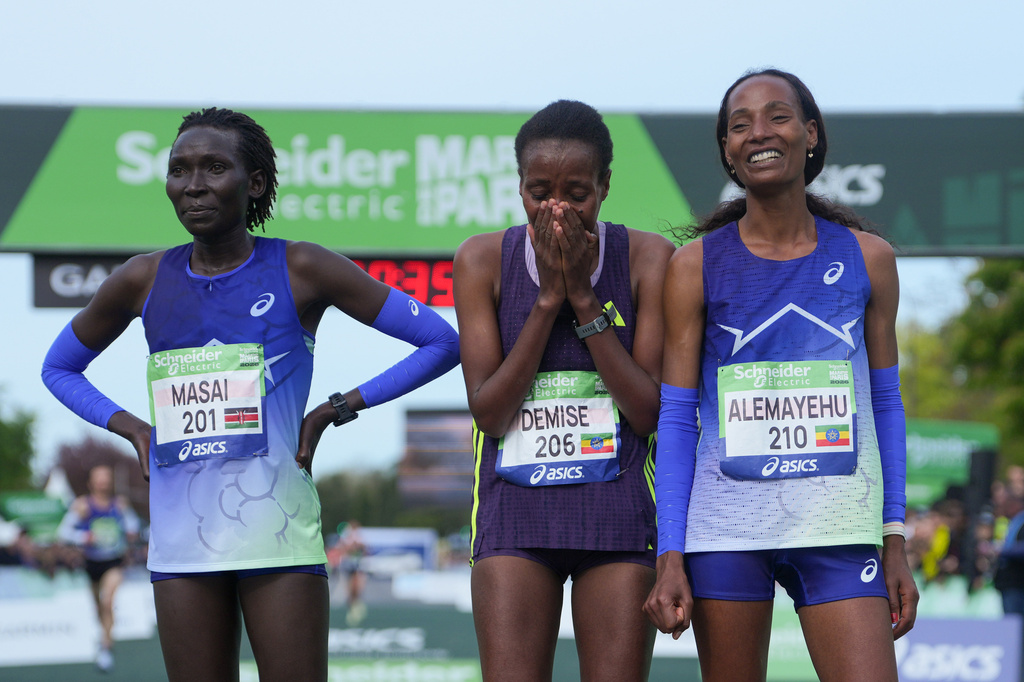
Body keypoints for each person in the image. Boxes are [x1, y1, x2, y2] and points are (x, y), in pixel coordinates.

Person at [41, 107, 460, 682]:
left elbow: (440, 341)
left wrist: (336, 409)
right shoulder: (142, 279)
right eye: (178, 170)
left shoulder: (302, 266)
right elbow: (59, 367)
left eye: (214, 168)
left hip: (278, 536)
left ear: (254, 182)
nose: (193, 185)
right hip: (181, 544)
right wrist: (131, 427)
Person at [643, 69, 919, 681]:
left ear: (811, 134)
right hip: (725, 533)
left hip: (840, 528)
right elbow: (676, 416)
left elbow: (886, 404)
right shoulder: (693, 268)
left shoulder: (869, 257)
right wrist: (670, 553)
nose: (759, 133)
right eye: (739, 125)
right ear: (727, 153)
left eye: (778, 116)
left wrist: (894, 537)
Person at [453, 100, 673, 681]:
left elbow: (649, 412)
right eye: (537, 191)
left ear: (605, 185)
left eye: (577, 193)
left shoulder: (650, 258)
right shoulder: (482, 260)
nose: (555, 208)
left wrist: (582, 296)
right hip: (515, 518)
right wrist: (547, 299)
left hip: (618, 515)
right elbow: (490, 413)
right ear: (519, 186)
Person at [57, 464, 140, 672]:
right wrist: (84, 537)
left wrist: (130, 532)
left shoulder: (119, 505)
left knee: (108, 601)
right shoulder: (82, 505)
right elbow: (63, 533)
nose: (103, 481)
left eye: (106, 477)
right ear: (90, 483)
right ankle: (103, 634)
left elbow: (133, 527)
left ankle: (106, 648)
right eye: (99, 478)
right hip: (91, 563)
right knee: (98, 607)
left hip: (114, 561)